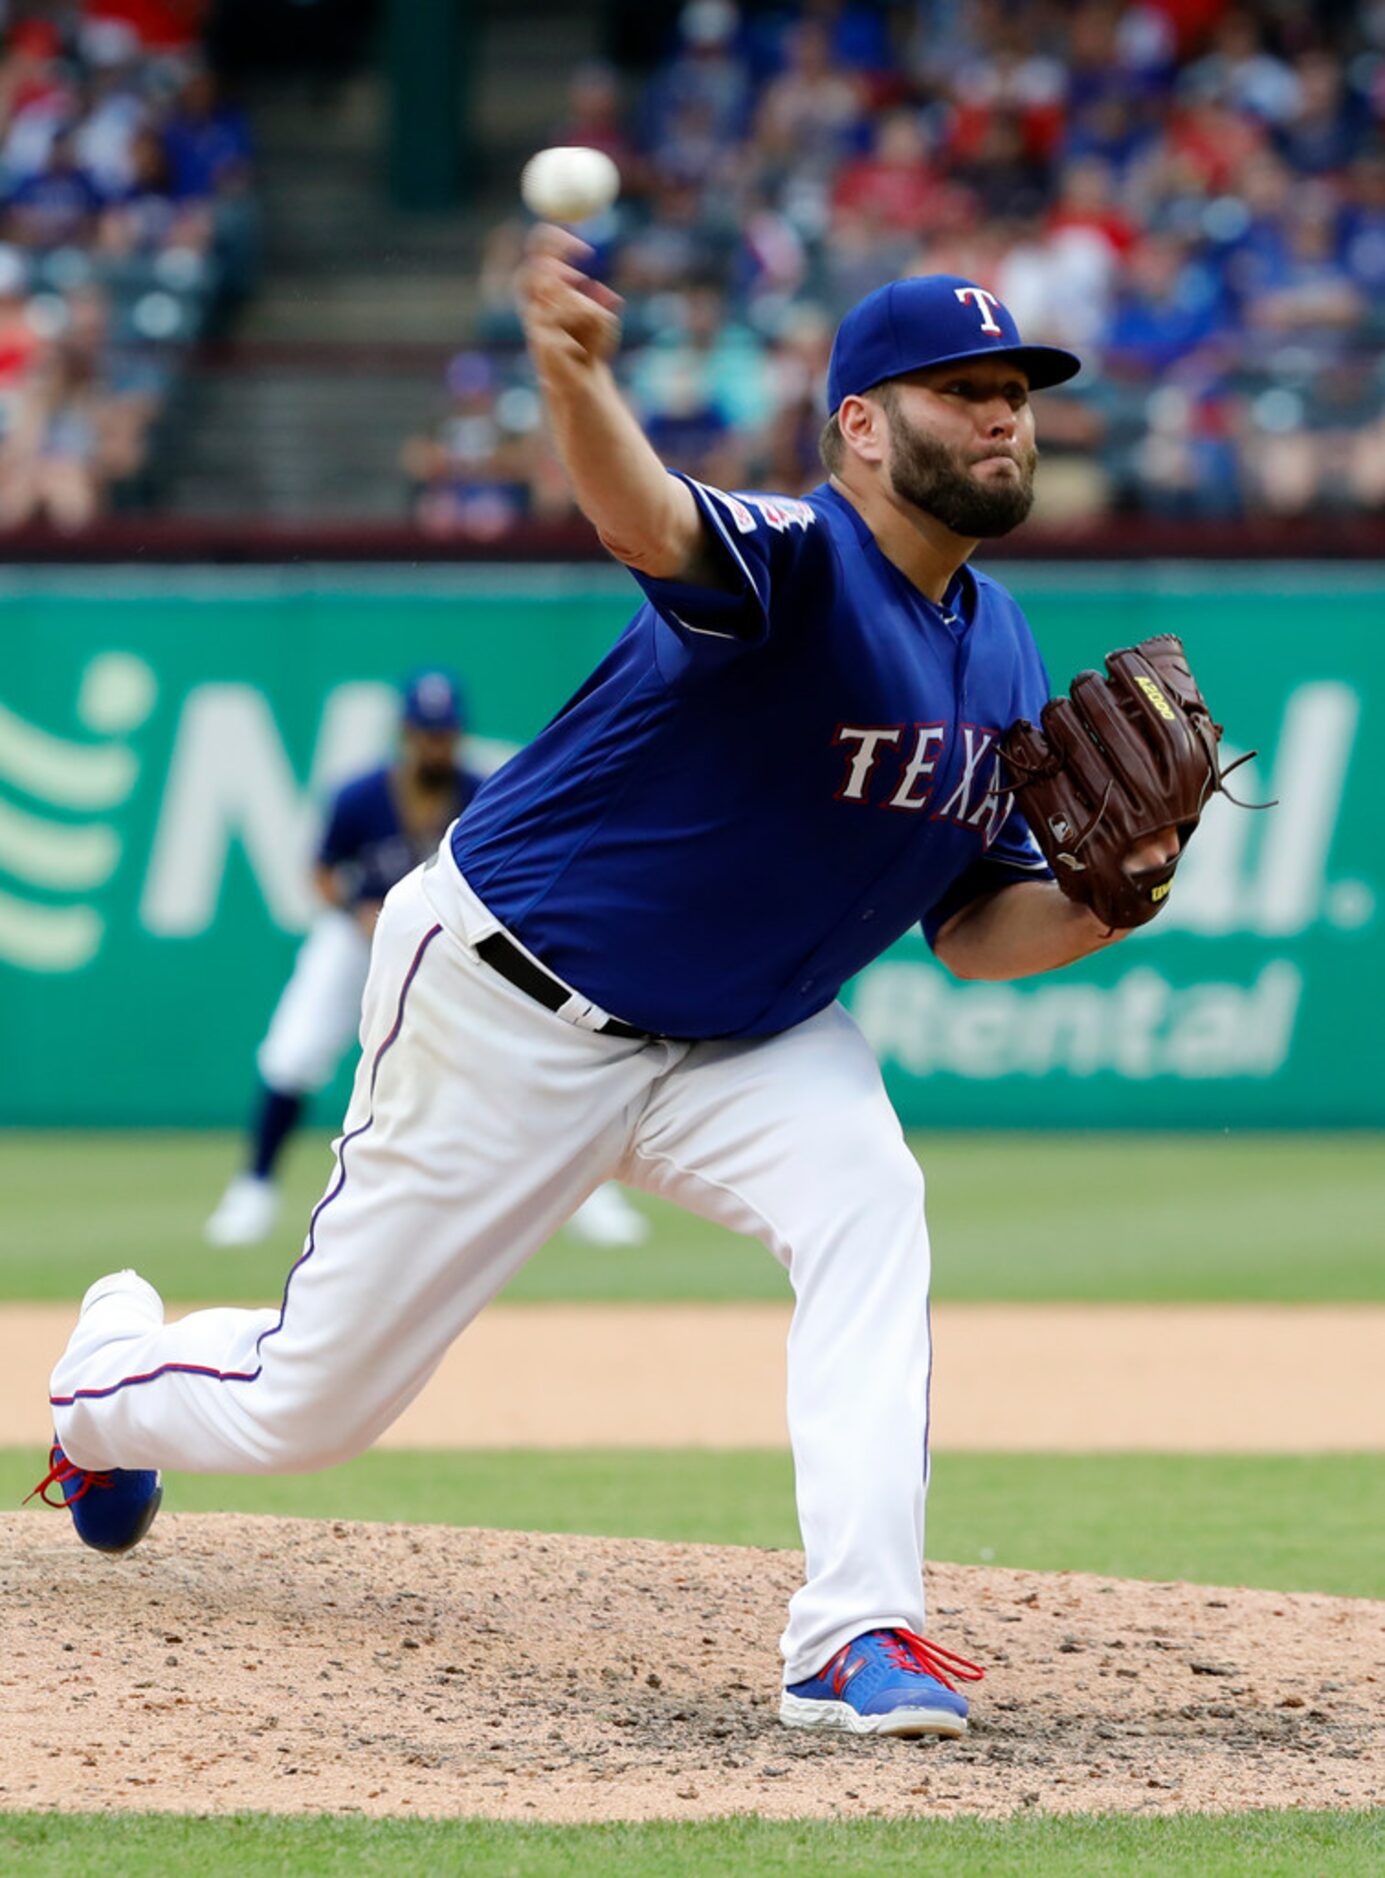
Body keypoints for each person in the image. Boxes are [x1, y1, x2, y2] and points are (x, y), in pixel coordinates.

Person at [33, 239, 1177, 1740]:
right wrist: (573, 377)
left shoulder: (1004, 646)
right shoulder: (796, 558)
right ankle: (104, 1376)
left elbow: (973, 930)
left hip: (747, 1042)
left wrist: (1113, 898)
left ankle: (854, 1633)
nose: (1002, 416)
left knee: (868, 1206)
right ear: (857, 426)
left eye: (1016, 393)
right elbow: (645, 518)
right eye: (960, 392)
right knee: (311, 1408)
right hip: (513, 1001)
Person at [204, 667, 648, 1253]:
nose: (435, 744)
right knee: (293, 1050)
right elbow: (320, 872)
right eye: (425, 732)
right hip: (357, 942)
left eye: (444, 733)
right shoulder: (361, 797)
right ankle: (254, 1190)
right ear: (405, 733)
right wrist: (357, 907)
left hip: (454, 943)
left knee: (525, 1060)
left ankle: (591, 1197)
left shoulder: (482, 792)